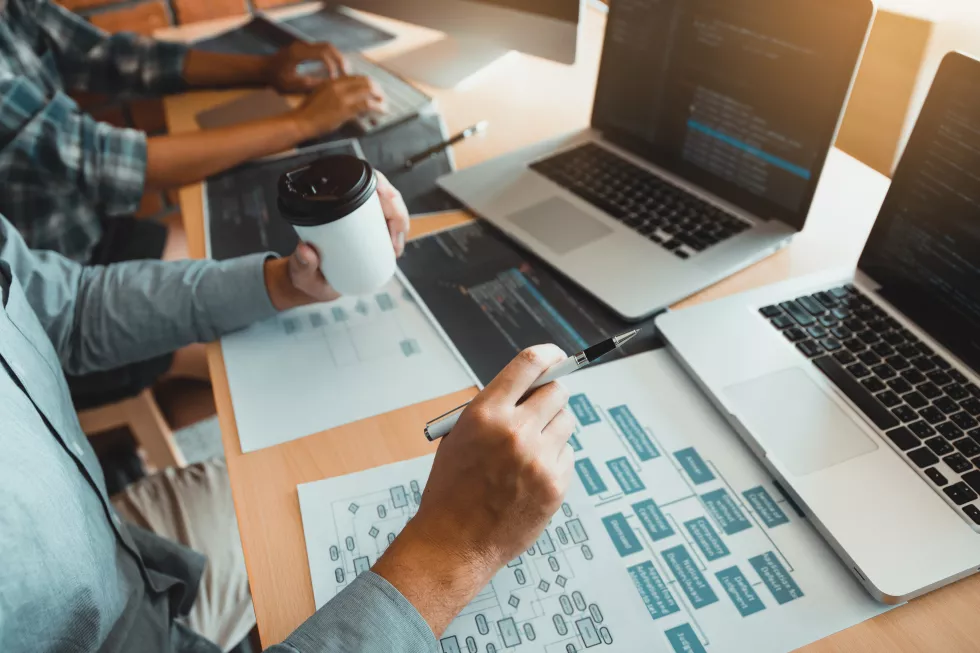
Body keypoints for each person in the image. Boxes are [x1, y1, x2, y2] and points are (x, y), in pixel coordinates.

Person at [0, 178, 577, 652]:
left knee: (305, 481)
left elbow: (68, 307)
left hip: (126, 555)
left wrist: (282, 281)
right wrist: (454, 552)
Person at [1, 0, 387, 409]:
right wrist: (303, 123)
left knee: (274, 289)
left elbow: (113, 57)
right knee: (297, 362)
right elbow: (107, 164)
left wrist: (265, 69)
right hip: (57, 297)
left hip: (86, 251)